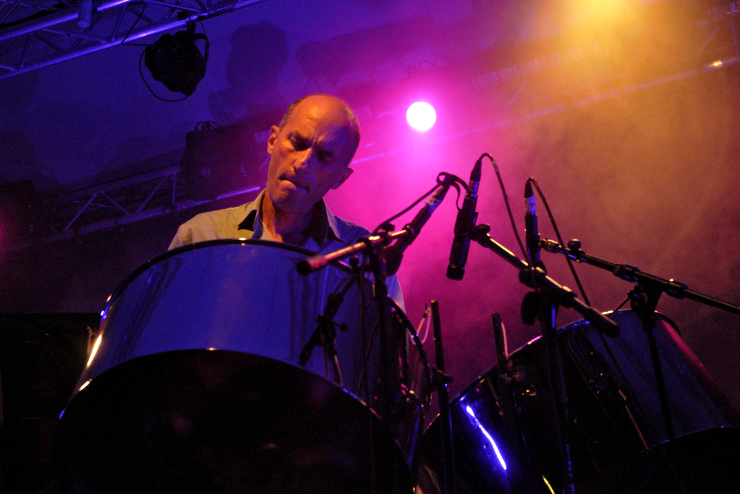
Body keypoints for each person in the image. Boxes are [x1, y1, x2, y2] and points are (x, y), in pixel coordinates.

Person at [169, 93, 402, 306]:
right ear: (272, 140)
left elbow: (393, 348)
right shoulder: (200, 235)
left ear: (340, 177)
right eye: (298, 143)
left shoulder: (367, 256)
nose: (303, 163)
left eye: (324, 156)